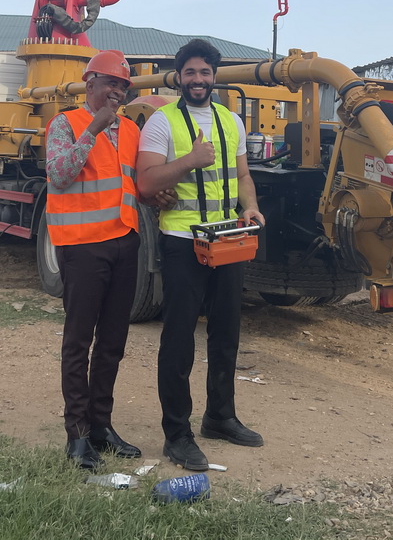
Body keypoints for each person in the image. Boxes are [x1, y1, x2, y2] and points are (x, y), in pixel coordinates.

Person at [137, 38, 266, 471]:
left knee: (226, 332)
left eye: (205, 72)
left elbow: (243, 176)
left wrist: (250, 206)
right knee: (178, 339)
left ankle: (220, 417)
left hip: (227, 238)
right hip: (182, 241)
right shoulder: (162, 122)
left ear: (214, 77)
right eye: (190, 72)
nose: (198, 79)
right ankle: (177, 434)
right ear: (179, 77)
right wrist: (190, 160)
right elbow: (146, 183)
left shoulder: (231, 121)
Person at [45, 49, 143, 469]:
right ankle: (78, 435)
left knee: (113, 342)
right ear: (90, 83)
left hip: (125, 241)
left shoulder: (132, 131)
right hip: (83, 246)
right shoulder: (66, 123)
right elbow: (59, 174)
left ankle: (101, 426)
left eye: (122, 86)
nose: (117, 92)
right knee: (78, 341)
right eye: (110, 83)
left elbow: (135, 183)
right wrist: (94, 129)